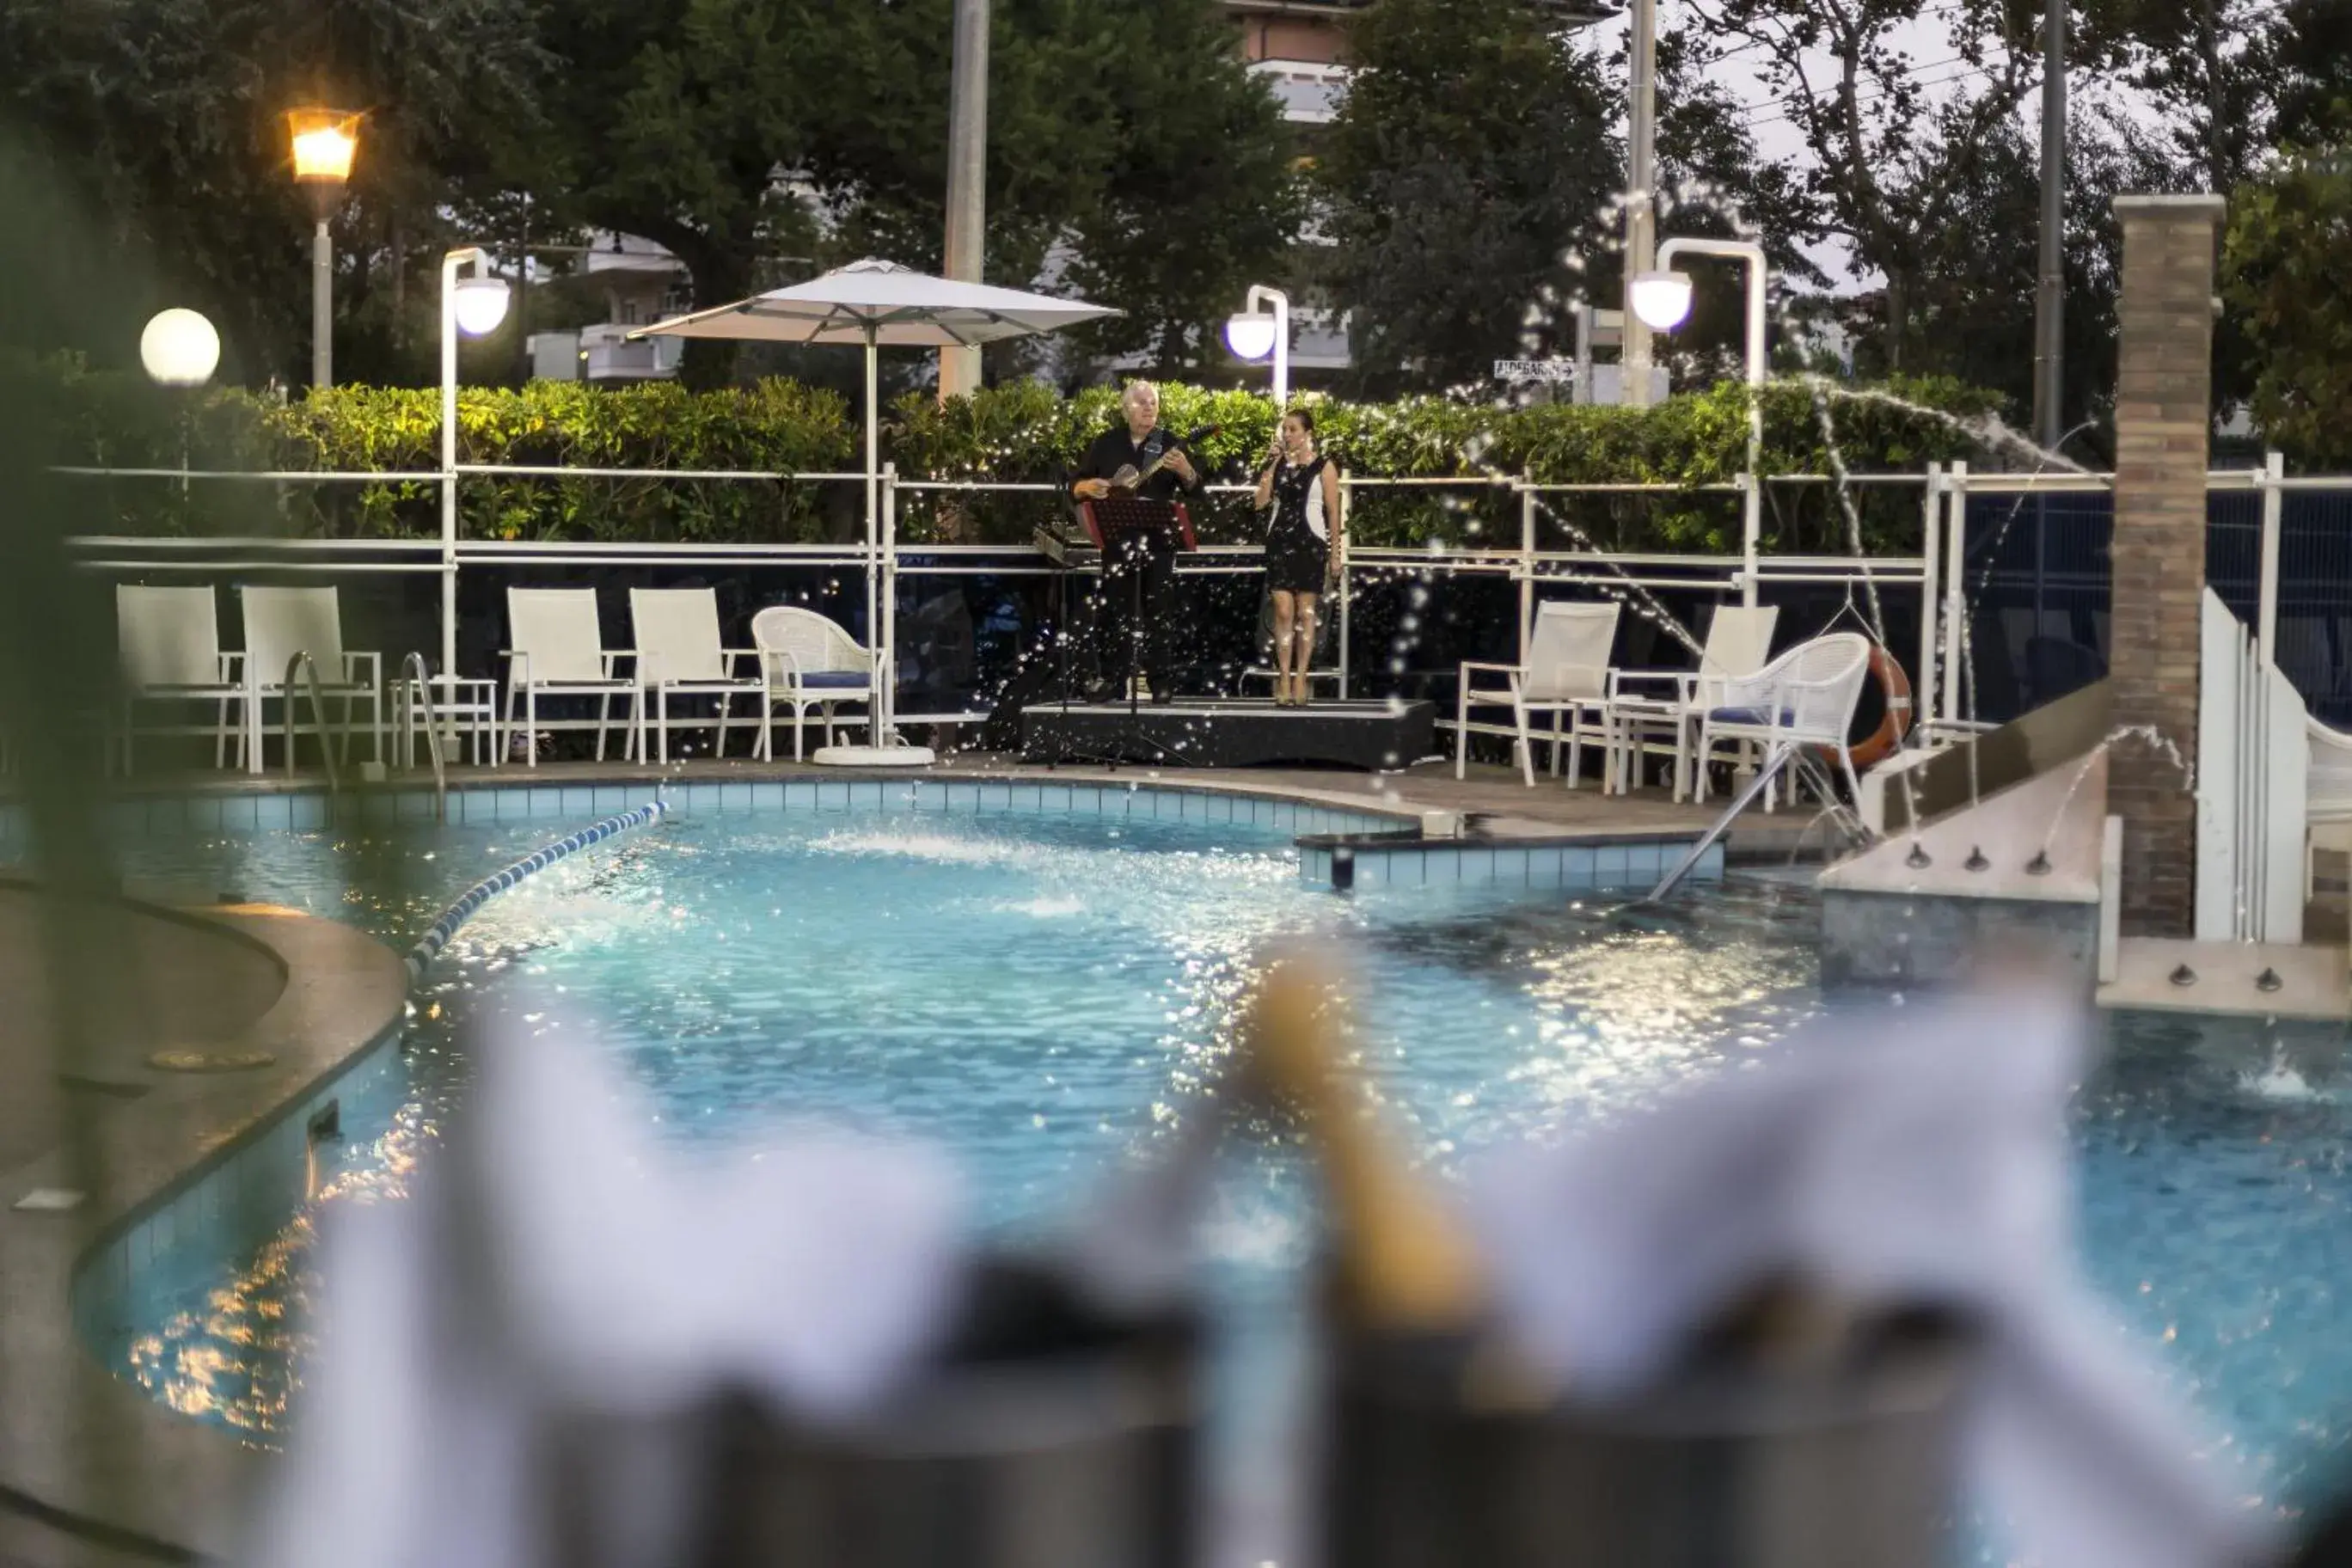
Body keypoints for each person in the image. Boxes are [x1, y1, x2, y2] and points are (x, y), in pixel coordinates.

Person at [1070, 382, 1203, 703]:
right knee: (1117, 612)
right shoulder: (1105, 444)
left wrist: (1186, 471)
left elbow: (1198, 491)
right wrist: (1089, 486)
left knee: (1160, 613)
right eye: (1141, 403)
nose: (1148, 408)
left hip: (1158, 543)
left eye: (1153, 403)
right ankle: (1115, 681)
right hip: (1116, 541)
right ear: (1126, 408)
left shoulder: (1168, 443)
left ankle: (1161, 683)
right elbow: (1073, 485)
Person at [1252, 407, 1342, 707]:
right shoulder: (1277, 464)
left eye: (1292, 429)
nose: (1287, 434)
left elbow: (1333, 511)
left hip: (1310, 543)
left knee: (1306, 614)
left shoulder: (1324, 466)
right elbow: (1259, 503)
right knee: (1282, 611)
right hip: (1280, 543)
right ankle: (1284, 676)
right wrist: (1271, 463)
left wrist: (1335, 555)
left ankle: (1301, 676)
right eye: (1284, 429)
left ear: (1307, 433)